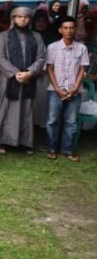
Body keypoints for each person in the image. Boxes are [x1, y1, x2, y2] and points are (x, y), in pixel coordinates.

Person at [0, 6, 47, 155]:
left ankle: (24, 142)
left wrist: (30, 72)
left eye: (26, 17)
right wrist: (15, 73)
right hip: (7, 78)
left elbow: (41, 56)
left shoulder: (36, 37)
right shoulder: (3, 36)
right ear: (13, 19)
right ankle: (2, 140)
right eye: (19, 17)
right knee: (5, 108)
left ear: (30, 19)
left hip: (28, 78)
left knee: (26, 109)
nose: (22, 19)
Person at [45, 16, 87, 162]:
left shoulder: (82, 48)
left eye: (71, 28)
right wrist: (57, 88)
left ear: (75, 29)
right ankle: (51, 149)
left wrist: (75, 88)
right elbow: (49, 69)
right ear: (60, 30)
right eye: (66, 28)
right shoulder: (52, 47)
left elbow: (82, 69)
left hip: (75, 90)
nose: (69, 30)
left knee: (71, 122)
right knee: (52, 120)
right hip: (55, 90)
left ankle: (68, 150)